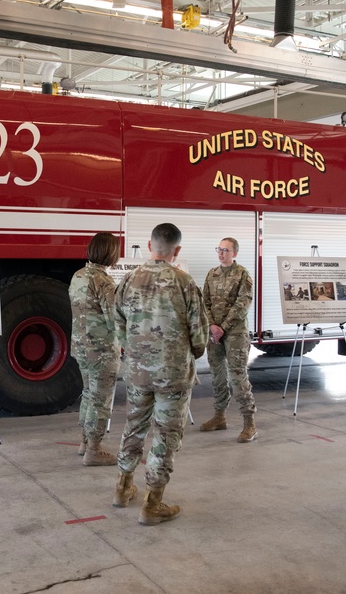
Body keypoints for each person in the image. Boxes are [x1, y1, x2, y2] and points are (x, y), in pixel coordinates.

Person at [111, 223, 208, 525]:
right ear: (177, 250)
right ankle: (153, 504)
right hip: (173, 375)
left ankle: (123, 488)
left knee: (134, 426)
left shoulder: (129, 279)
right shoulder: (185, 282)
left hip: (138, 372)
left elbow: (118, 324)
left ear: (149, 246)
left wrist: (135, 354)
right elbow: (200, 334)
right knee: (166, 435)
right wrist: (188, 354)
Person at [68, 232, 121, 466]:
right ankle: (94, 451)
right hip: (101, 351)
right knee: (100, 400)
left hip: (81, 347)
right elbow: (114, 320)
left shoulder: (78, 275)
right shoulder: (103, 281)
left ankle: (84, 442)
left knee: (88, 395)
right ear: (110, 253)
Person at [199, 237, 258, 442]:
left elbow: (243, 304)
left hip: (235, 333)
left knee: (237, 376)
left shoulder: (242, 274)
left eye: (225, 250)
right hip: (214, 331)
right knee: (217, 375)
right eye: (219, 249)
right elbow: (203, 301)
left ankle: (249, 423)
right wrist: (212, 326)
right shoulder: (211, 274)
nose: (221, 253)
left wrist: (222, 327)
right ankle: (219, 417)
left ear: (235, 253)